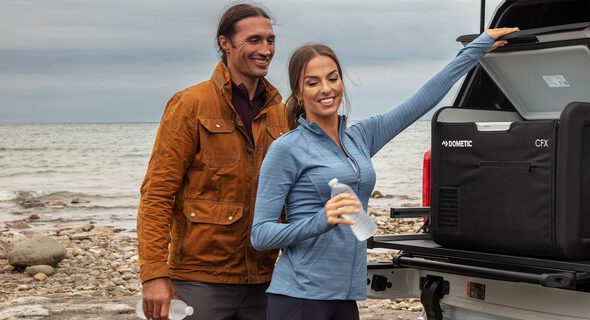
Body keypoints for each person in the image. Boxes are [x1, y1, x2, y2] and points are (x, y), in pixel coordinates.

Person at [250, 27, 518, 319]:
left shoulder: (360, 137)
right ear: (298, 93)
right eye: (312, 82)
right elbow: (261, 235)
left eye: (332, 78)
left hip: (345, 295)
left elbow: (421, 101)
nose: (326, 89)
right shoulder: (287, 149)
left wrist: (476, 49)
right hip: (301, 295)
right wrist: (320, 220)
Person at [137, 3, 288, 320]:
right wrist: (154, 273)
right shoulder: (190, 104)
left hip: (264, 277)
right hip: (200, 279)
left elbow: (291, 195)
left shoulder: (280, 113)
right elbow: (157, 193)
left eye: (270, 40)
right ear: (225, 43)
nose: (265, 50)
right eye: (254, 40)